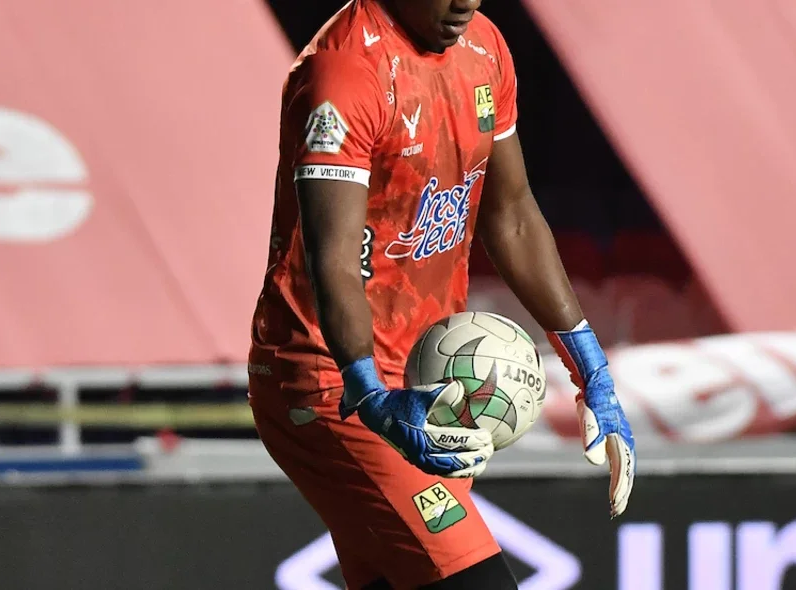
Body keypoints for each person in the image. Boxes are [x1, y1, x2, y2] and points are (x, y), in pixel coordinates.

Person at [246, 0, 636, 587]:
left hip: (429, 385)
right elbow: (332, 261)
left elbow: (513, 217)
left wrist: (592, 369)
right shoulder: (345, 71)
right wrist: (372, 398)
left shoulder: (484, 48)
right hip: (332, 383)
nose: (468, 2)